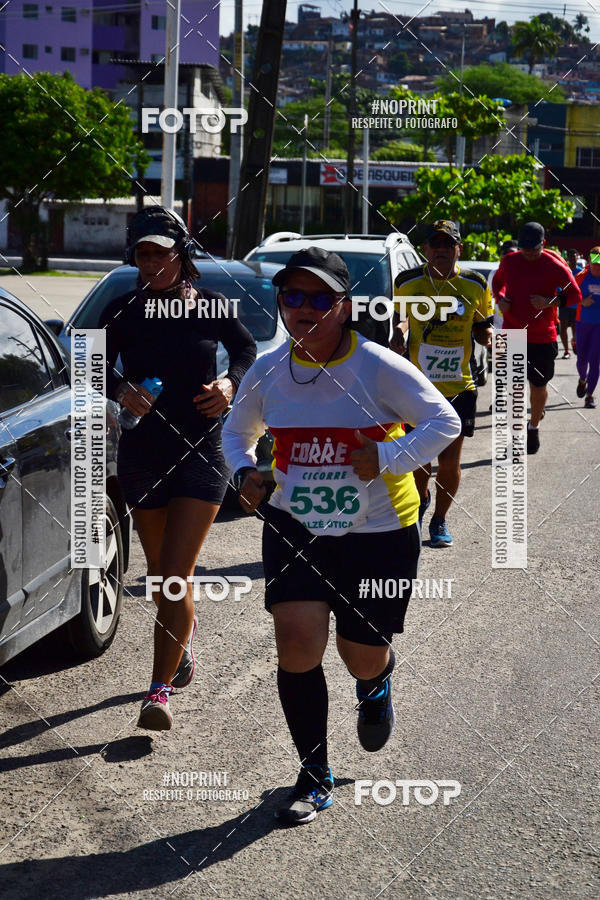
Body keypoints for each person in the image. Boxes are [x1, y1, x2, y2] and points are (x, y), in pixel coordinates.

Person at [222, 247, 460, 826]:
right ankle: (313, 773)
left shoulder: (377, 366)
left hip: (378, 531)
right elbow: (236, 432)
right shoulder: (269, 370)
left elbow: (444, 422)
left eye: (319, 298)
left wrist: (384, 455)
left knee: (361, 655)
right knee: (298, 642)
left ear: (344, 305)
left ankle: (376, 683)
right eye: (292, 296)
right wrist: (244, 473)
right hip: (295, 523)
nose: (303, 308)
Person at [100, 207, 256, 730]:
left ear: (180, 254)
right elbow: (88, 361)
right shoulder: (123, 310)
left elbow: (246, 348)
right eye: (142, 254)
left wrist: (230, 385)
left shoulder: (212, 305)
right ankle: (180, 647)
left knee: (173, 578)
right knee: (162, 575)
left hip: (202, 454)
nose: (149, 263)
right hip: (143, 456)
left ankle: (158, 692)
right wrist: (121, 389)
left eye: (159, 253)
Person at [391, 220, 493, 548]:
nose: (441, 250)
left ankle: (440, 519)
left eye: (448, 245)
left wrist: (488, 337)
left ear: (458, 249)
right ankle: (420, 502)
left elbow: (481, 325)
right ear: (425, 250)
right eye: (435, 245)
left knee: (450, 461)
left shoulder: (475, 284)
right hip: (418, 388)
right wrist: (399, 334)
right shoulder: (407, 282)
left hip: (459, 387)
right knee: (421, 458)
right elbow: (400, 318)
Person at [491, 222, 581, 455]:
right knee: (514, 387)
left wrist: (549, 302)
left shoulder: (554, 265)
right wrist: (500, 298)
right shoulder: (509, 261)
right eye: (525, 248)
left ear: (543, 244)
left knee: (538, 387)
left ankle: (534, 426)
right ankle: (518, 434)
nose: (529, 253)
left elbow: (574, 296)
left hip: (542, 335)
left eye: (533, 248)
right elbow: (498, 283)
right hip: (513, 332)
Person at [574, 247, 600, 409]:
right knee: (582, 359)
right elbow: (569, 295)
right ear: (589, 262)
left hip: (599, 326)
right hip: (582, 323)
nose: (597, 267)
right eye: (595, 263)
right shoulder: (581, 277)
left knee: (595, 361)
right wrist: (581, 302)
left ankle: (589, 396)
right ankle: (583, 379)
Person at [559, 249, 583, 358]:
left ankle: (575, 343)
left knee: (575, 328)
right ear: (567, 258)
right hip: (564, 304)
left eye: (574, 257)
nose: (573, 259)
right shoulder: (564, 270)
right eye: (571, 257)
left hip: (577, 305)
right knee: (562, 327)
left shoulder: (581, 272)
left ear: (577, 257)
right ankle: (566, 351)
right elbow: (558, 286)